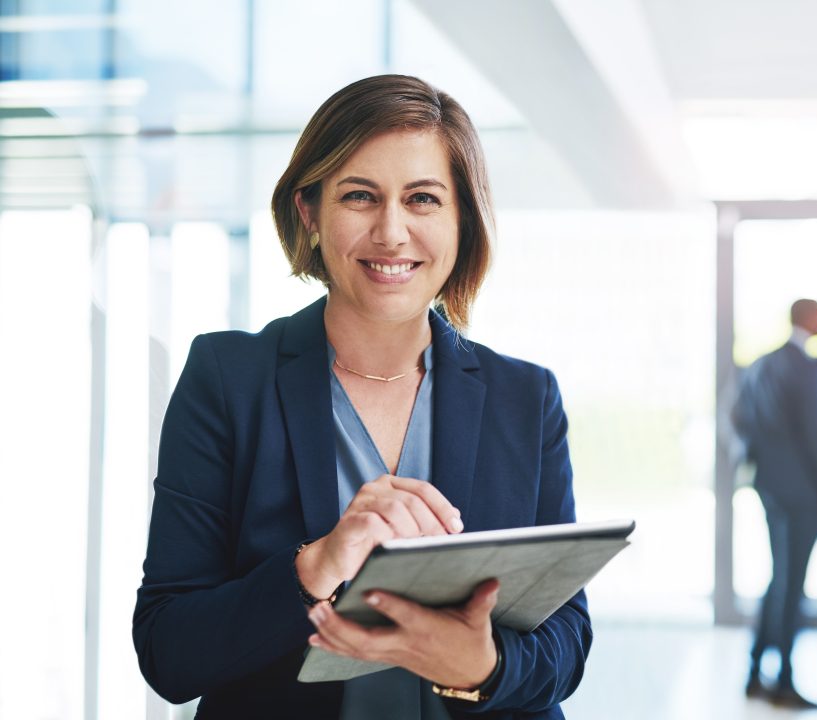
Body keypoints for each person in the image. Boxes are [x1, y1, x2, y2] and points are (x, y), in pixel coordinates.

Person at [133, 75, 590, 719]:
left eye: (424, 199)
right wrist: (313, 567)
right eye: (359, 196)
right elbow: (167, 651)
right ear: (310, 212)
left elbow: (567, 640)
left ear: (463, 219)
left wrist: (480, 669)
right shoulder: (228, 378)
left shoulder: (526, 396)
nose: (392, 232)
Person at [733, 299, 817, 710]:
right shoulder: (808, 369)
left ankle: (754, 673)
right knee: (791, 584)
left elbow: (741, 422)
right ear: (812, 319)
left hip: (769, 487)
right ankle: (784, 681)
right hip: (803, 494)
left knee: (779, 580)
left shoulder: (760, 365)